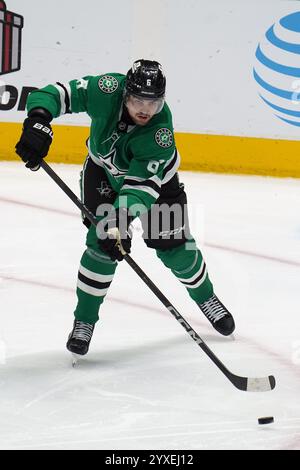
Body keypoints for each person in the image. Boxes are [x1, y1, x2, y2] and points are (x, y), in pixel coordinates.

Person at [15, 59, 235, 356]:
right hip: (102, 172)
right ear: (124, 94)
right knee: (99, 247)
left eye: (153, 104)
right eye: (137, 101)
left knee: (175, 248)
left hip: (156, 187)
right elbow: (57, 94)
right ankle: (84, 321)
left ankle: (206, 297)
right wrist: (38, 120)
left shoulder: (160, 135)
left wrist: (118, 221)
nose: (145, 110)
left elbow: (139, 189)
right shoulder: (106, 89)